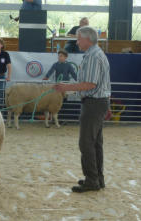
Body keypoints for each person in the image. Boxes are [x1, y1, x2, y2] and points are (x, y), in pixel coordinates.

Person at [54, 26, 111, 193]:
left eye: (78, 39)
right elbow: (88, 83)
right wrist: (67, 86)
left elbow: (90, 84)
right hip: (98, 102)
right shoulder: (94, 54)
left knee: (86, 143)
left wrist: (66, 87)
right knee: (95, 143)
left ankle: (92, 180)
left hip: (93, 103)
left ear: (87, 39)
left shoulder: (93, 56)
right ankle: (97, 178)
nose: (77, 42)